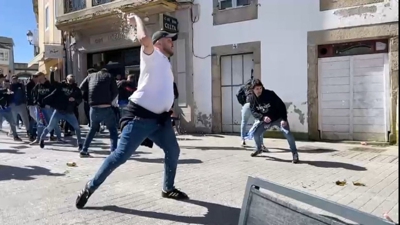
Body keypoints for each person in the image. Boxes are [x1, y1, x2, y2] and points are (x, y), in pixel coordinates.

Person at [75, 13, 188, 209]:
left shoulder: (165, 63)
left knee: (173, 150)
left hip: (160, 120)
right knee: (120, 156)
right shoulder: (151, 55)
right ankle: (90, 187)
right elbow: (144, 39)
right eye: (169, 39)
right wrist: (136, 19)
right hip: (139, 117)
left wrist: (168, 107)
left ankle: (167, 188)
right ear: (159, 42)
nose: (173, 43)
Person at [247, 79, 299, 163]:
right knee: (256, 134)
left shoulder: (270, 94)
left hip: (278, 118)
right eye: (257, 89)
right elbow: (253, 111)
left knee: (287, 133)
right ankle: (258, 149)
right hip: (266, 120)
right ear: (253, 90)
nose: (259, 90)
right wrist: (262, 118)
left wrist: (284, 119)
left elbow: (281, 105)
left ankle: (295, 154)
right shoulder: (252, 99)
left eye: (260, 88)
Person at [79, 67, 119, 157]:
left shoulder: (91, 76)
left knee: (92, 129)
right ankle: (113, 151)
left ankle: (84, 150)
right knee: (112, 130)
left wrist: (89, 98)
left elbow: (81, 87)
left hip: (93, 107)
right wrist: (110, 100)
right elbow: (116, 91)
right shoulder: (109, 76)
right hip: (106, 107)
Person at [38, 72, 83, 149]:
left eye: (73, 78)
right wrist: (52, 72)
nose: (71, 80)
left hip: (69, 112)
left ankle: (80, 144)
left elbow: (80, 99)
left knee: (77, 128)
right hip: (58, 111)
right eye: (70, 78)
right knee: (50, 127)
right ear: (66, 79)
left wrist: (75, 99)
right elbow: (53, 85)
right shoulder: (61, 86)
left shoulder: (76, 89)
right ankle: (41, 139)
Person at [29, 71, 62, 144]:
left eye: (38, 76)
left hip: (48, 107)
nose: (37, 78)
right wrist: (35, 102)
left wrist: (51, 104)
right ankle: (38, 139)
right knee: (39, 123)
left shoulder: (50, 85)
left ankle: (59, 137)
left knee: (53, 123)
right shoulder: (37, 86)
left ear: (43, 76)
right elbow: (33, 94)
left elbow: (55, 95)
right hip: (39, 107)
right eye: (36, 77)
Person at [237, 77, 267, 149]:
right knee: (260, 124)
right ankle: (261, 143)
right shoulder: (260, 87)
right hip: (256, 105)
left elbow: (239, 95)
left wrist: (243, 103)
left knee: (244, 122)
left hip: (247, 104)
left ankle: (242, 139)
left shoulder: (245, 87)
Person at [26, 75, 38, 141]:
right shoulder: (30, 85)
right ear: (33, 78)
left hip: (35, 104)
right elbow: (29, 95)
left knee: (35, 119)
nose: (36, 79)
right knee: (33, 119)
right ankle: (31, 134)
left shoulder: (37, 84)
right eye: (35, 77)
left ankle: (33, 133)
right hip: (31, 104)